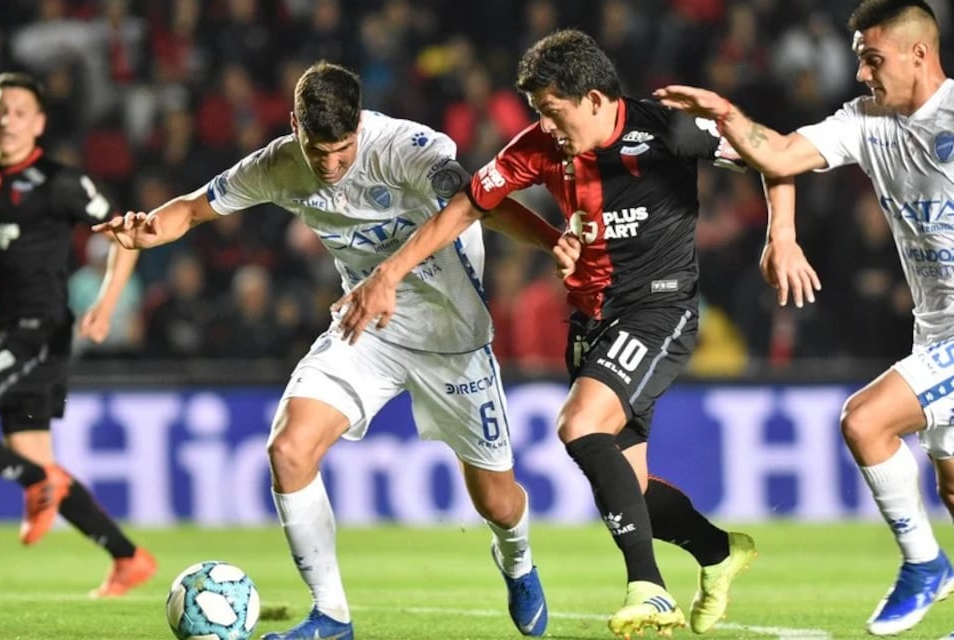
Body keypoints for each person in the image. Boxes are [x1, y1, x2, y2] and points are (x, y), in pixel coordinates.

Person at [334, 28, 803, 638]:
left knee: (579, 425)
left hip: (659, 308)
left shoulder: (668, 129)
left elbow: (776, 157)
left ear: (594, 98)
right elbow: (468, 206)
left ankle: (649, 590)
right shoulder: (539, 147)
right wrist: (390, 273)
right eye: (537, 112)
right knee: (628, 488)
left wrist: (782, 235)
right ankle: (718, 551)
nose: (546, 125)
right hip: (590, 320)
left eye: (552, 111)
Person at [96, 60, 561, 640]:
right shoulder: (279, 165)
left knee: (497, 502)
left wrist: (554, 243)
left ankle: (517, 561)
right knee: (289, 450)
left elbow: (481, 202)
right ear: (295, 127)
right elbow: (191, 209)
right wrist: (149, 228)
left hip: (452, 340)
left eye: (343, 151)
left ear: (360, 125)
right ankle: (332, 616)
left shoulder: (406, 149)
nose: (333, 166)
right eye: (320, 153)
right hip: (367, 328)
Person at [654, 0, 954, 635]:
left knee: (865, 420)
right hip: (935, 327)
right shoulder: (867, 121)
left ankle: (925, 565)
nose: (863, 74)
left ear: (919, 54)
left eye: (873, 60)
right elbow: (783, 155)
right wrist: (731, 123)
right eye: (860, 61)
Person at [0, 71, 155, 597]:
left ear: (39, 123)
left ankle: (36, 483)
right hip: (3, 336)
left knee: (37, 473)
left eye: (19, 112)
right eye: (0, 110)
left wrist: (105, 303)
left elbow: (125, 235)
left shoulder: (60, 181)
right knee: (39, 460)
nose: (8, 121)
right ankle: (128, 557)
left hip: (39, 336)